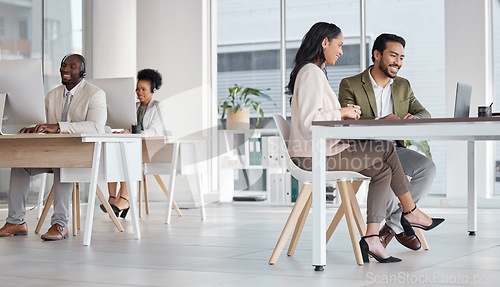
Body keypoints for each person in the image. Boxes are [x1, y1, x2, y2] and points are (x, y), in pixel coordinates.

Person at [287, 22, 443, 263]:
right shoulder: (311, 72)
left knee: (382, 170)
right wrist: (342, 112)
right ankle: (410, 212)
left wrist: (342, 114)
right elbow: (310, 121)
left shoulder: (314, 72)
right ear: (324, 42)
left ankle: (372, 238)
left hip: (324, 150)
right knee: (386, 148)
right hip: (312, 155)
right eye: (338, 45)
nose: (340, 52)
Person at [338, 33, 436, 251]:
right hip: (364, 149)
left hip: (394, 148)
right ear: (377, 54)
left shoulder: (403, 86)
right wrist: (377, 122)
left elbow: (424, 112)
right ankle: (403, 221)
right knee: (389, 177)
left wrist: (415, 118)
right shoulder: (351, 84)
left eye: (401, 58)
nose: (398, 62)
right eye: (393, 56)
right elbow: (346, 122)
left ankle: (392, 226)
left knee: (427, 168)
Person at [0, 54, 107, 241]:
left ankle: (60, 224)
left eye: (72, 67)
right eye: (63, 65)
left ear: (82, 71)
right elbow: (45, 123)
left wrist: (59, 126)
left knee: (61, 164)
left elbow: (97, 127)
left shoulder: (95, 94)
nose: (65, 69)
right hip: (53, 152)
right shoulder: (53, 95)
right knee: (20, 164)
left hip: (80, 154)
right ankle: (16, 221)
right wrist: (35, 128)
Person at [104, 68, 165, 218]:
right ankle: (112, 198)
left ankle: (124, 199)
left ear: (153, 89)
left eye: (143, 89)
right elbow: (128, 126)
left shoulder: (159, 106)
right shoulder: (135, 107)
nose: (139, 92)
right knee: (113, 154)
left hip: (151, 148)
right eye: (137, 89)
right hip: (134, 146)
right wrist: (123, 132)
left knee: (126, 156)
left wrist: (132, 134)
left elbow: (153, 131)